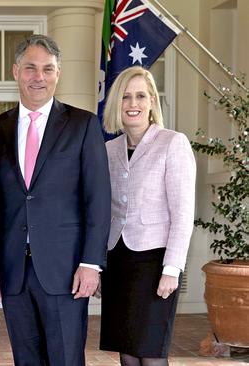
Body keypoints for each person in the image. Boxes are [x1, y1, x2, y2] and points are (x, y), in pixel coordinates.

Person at [0, 34, 111, 366]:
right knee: (25, 359)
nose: (38, 76)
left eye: (47, 69)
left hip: (66, 269)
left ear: (58, 73)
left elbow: (97, 199)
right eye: (30, 68)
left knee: (66, 359)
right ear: (15, 71)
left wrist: (91, 263)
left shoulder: (83, 125)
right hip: (13, 270)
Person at [99, 66, 196, 366]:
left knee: (151, 354)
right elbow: (105, 210)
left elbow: (183, 213)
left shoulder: (173, 143)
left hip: (155, 264)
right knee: (127, 353)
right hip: (118, 261)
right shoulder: (108, 149)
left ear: (152, 100)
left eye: (140, 95)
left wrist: (173, 268)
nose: (133, 103)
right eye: (126, 97)